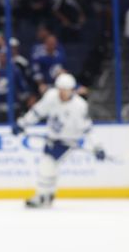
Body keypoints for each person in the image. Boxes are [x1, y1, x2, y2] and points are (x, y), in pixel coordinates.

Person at [12, 72, 106, 208]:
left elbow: (87, 130)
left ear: (72, 90)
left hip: (66, 141)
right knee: (50, 167)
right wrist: (22, 123)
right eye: (60, 89)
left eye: (66, 90)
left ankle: (42, 196)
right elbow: (38, 111)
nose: (62, 93)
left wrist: (98, 147)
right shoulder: (51, 96)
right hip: (52, 139)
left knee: (47, 164)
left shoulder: (79, 106)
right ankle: (48, 194)